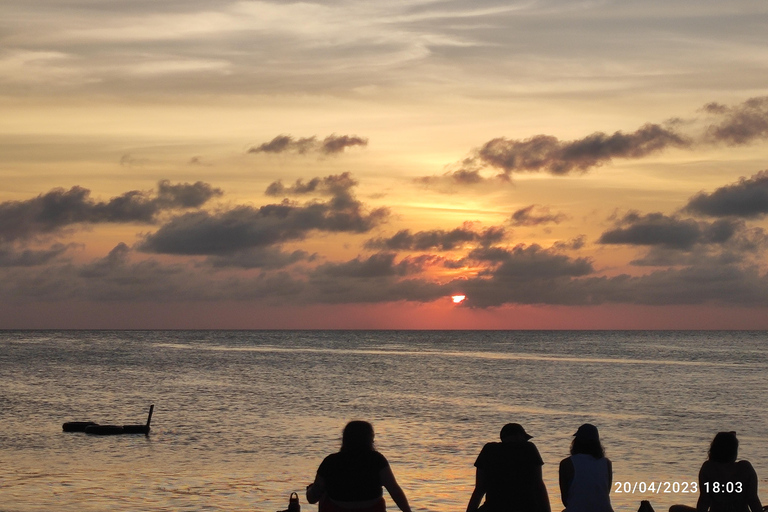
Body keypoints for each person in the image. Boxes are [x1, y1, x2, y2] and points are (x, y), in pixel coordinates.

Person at [306, 420, 412, 512]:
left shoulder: (330, 461)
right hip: (372, 510)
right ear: (369, 440)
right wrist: (407, 511)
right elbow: (394, 490)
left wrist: (310, 490)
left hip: (336, 509)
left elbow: (312, 499)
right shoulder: (377, 460)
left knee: (322, 492)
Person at [466, 422, 552, 512]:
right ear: (518, 436)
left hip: (493, 507)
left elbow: (480, 488)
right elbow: (538, 485)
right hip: (527, 507)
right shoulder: (528, 448)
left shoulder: (489, 450)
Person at [669, 431, 763, 512]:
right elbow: (753, 500)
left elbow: (704, 500)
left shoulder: (708, 468)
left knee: (675, 509)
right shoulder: (745, 467)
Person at [559, 423, 614, 512]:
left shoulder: (566, 463)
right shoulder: (607, 463)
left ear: (576, 442)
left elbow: (565, 500)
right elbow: (604, 493)